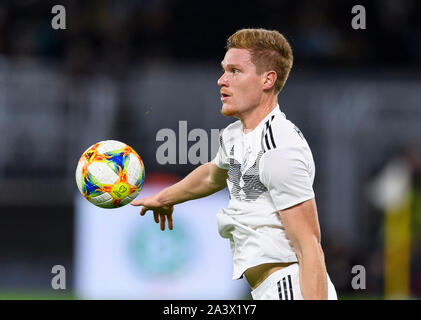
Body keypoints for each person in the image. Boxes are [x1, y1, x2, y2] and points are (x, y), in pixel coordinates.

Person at [131, 28, 337, 300]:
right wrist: (165, 197)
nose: (221, 80)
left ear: (267, 79)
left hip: (291, 288)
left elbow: (309, 247)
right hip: (268, 289)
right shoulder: (235, 135)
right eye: (223, 70)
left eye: (234, 71)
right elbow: (212, 177)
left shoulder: (279, 147)